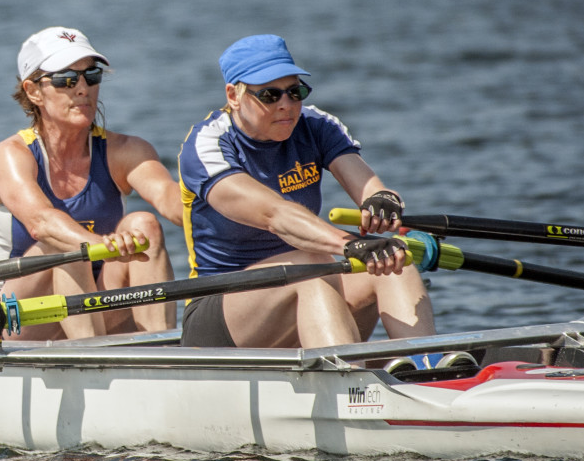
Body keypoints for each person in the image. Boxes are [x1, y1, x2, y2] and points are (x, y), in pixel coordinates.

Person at [178, 34, 435, 349]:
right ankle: (348, 382)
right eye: (270, 95)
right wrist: (351, 245)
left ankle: (428, 371)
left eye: (295, 91)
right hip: (221, 313)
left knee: (395, 256)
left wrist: (382, 200)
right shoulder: (208, 145)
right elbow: (276, 215)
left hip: (306, 286)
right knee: (311, 264)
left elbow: (365, 183)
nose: (286, 105)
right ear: (233, 95)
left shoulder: (316, 125)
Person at [0, 27, 182, 340]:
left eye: (91, 75)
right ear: (34, 91)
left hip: (94, 301)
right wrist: (100, 246)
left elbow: (170, 199)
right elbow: (42, 224)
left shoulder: (126, 151)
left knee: (144, 224)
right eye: (66, 79)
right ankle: (93, 360)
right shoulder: (11, 154)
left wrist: (231, 207)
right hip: (14, 318)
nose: (82, 89)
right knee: (61, 243)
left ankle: (162, 353)